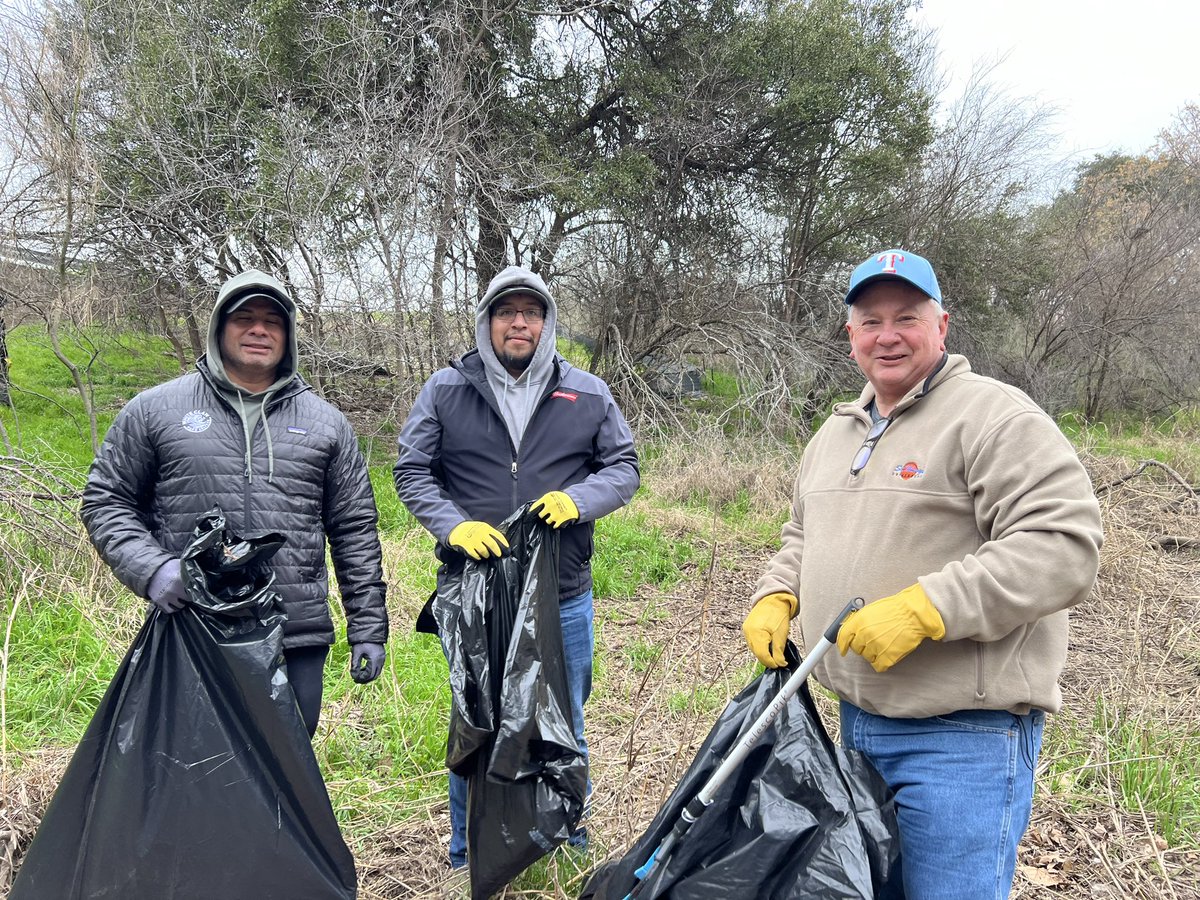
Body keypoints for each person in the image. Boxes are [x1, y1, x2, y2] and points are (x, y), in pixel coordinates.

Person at [741, 249, 1103, 899]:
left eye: (906, 317)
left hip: (963, 738)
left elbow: (1064, 545)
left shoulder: (993, 417)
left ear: (942, 325)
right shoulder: (835, 434)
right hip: (854, 722)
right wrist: (777, 592)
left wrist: (927, 608)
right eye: (869, 320)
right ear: (849, 335)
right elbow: (803, 534)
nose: (887, 336)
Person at [394, 264, 639, 881]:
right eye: (507, 312)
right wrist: (452, 526)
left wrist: (580, 500)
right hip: (476, 593)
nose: (520, 322)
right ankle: (465, 849)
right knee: (476, 717)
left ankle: (564, 836)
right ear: (488, 322)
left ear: (547, 322)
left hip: (561, 594)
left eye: (532, 312)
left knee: (563, 714)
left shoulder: (586, 392)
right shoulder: (448, 389)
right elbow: (411, 471)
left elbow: (624, 467)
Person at [81, 269, 389, 737]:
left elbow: (354, 530)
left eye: (273, 320)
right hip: (192, 628)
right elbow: (106, 499)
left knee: (286, 778)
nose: (259, 329)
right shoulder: (156, 410)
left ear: (288, 335)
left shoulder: (327, 424)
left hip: (295, 632)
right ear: (218, 328)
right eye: (244, 317)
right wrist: (153, 569)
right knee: (196, 773)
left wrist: (366, 627)